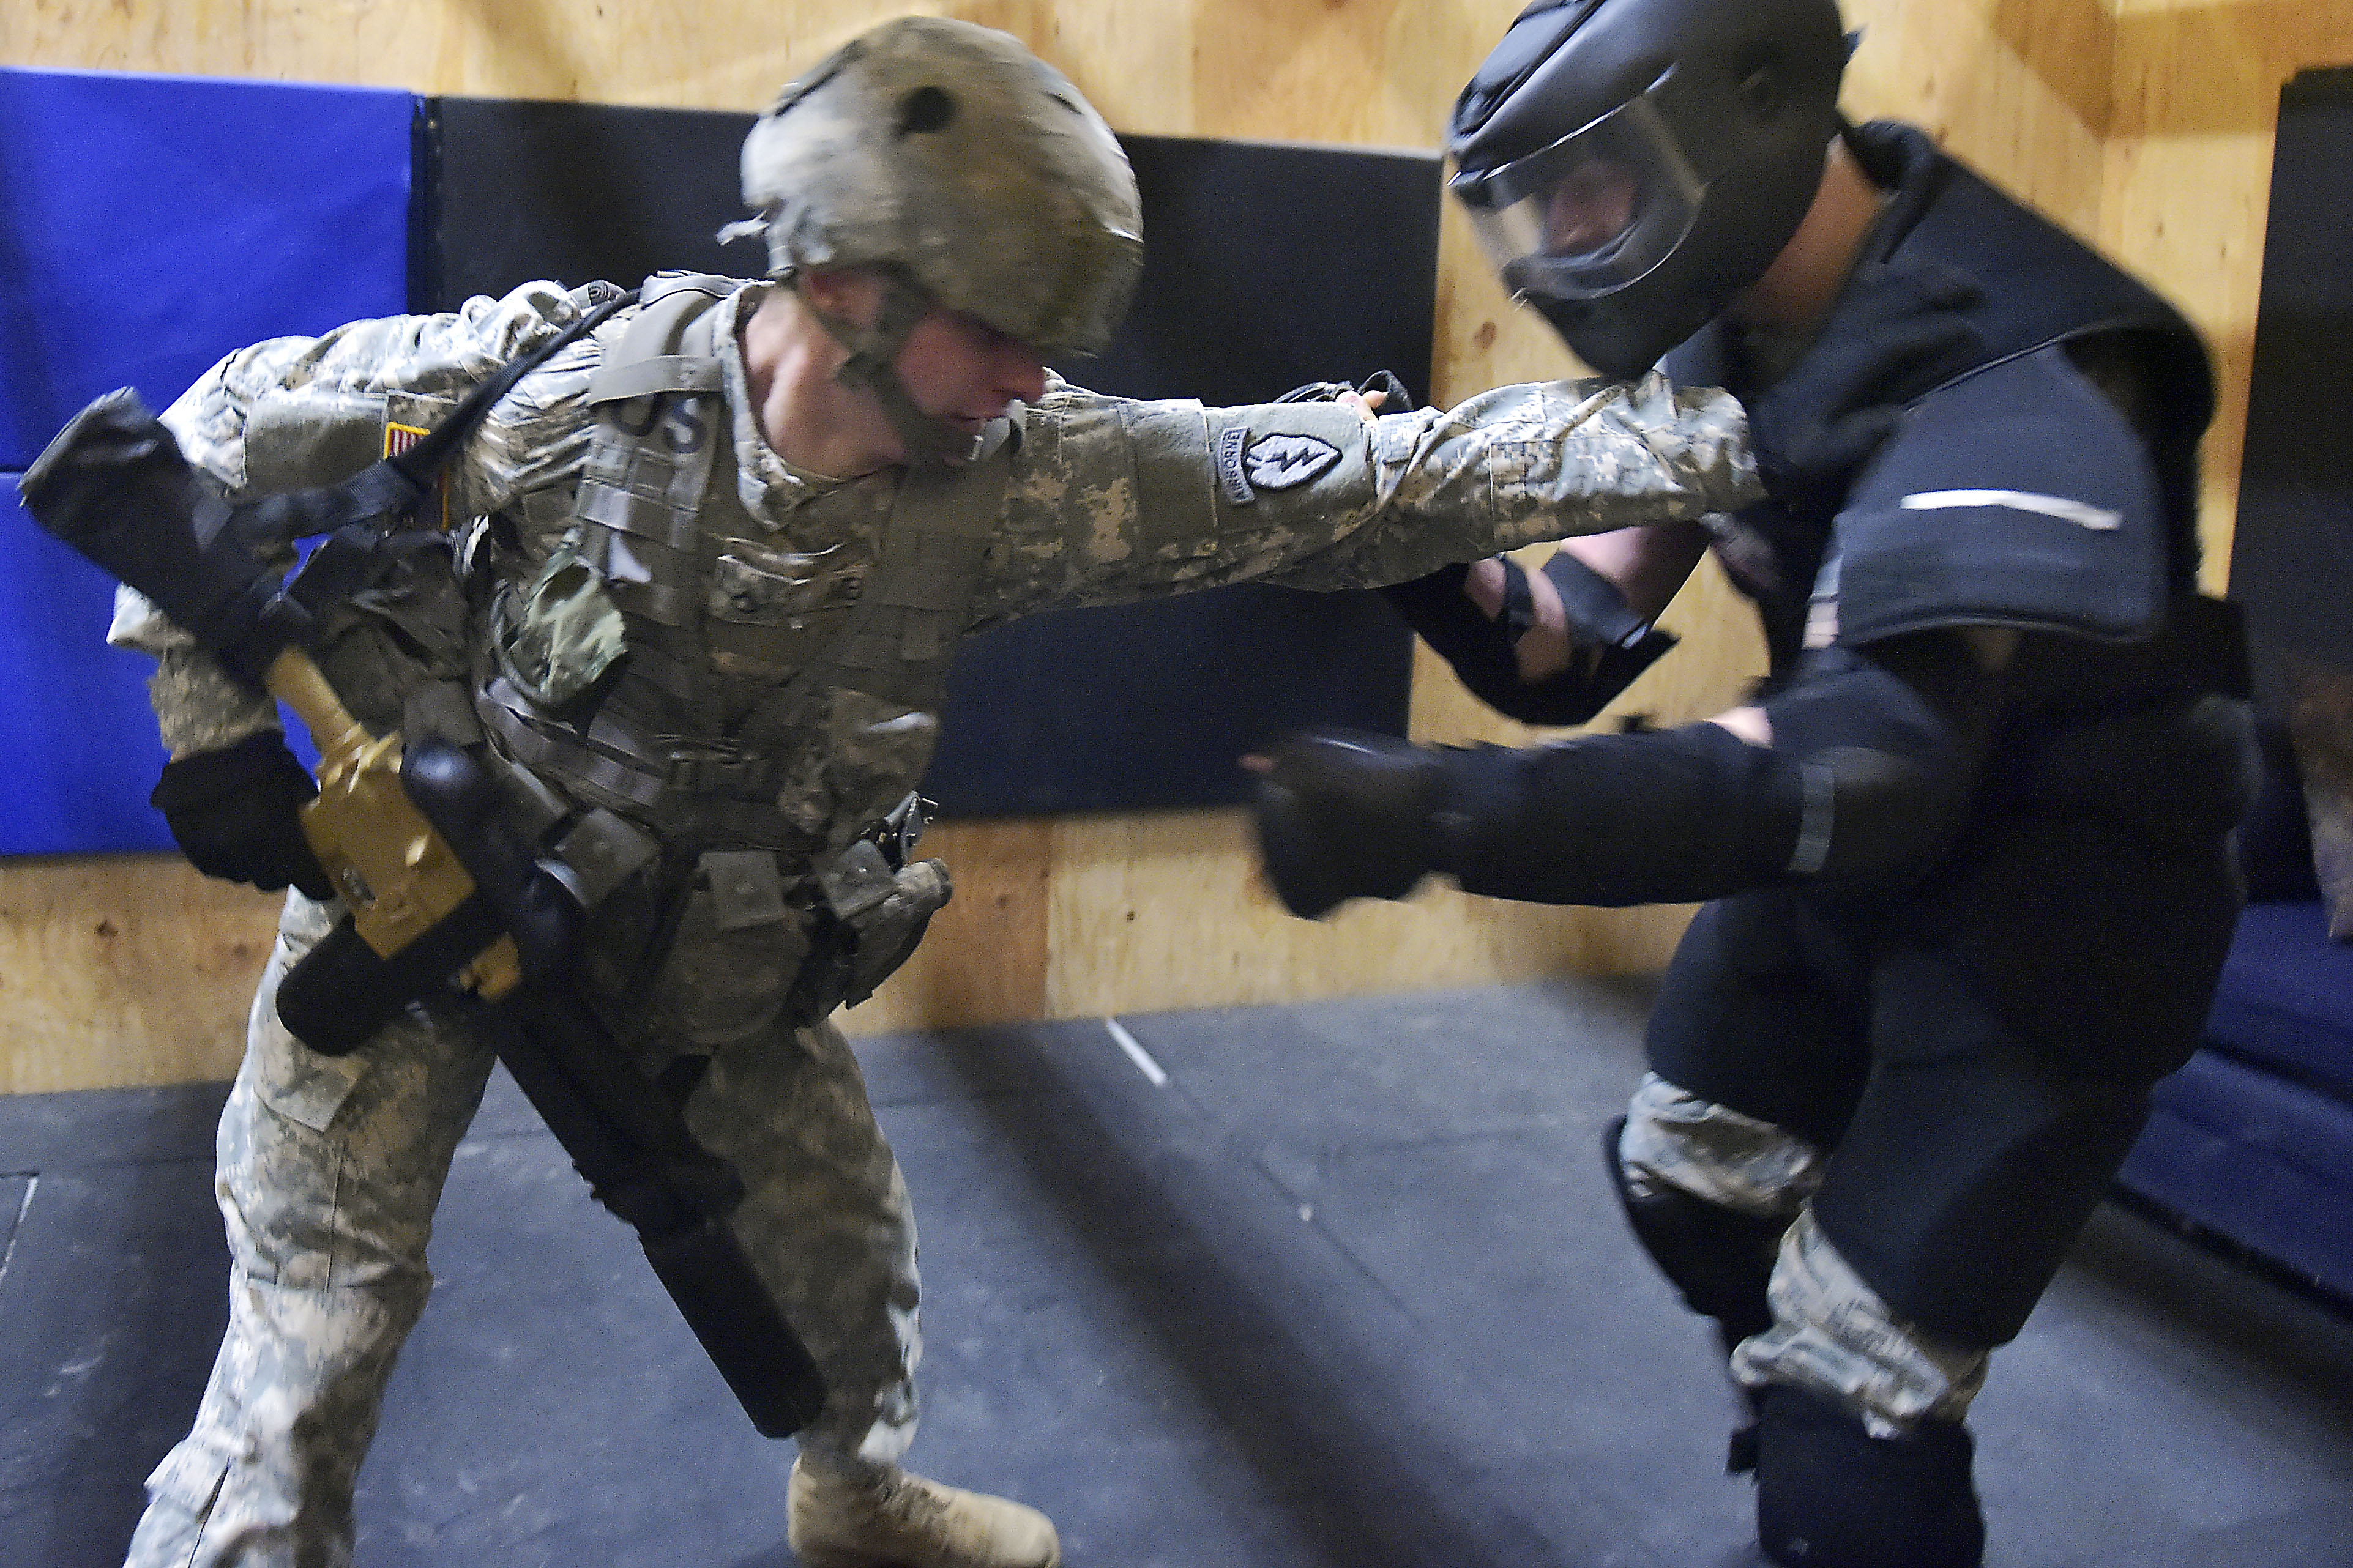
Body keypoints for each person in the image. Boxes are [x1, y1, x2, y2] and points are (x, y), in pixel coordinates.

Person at [92, 17, 1758, 1568]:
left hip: (710, 949)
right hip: (425, 896)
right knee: (310, 1335)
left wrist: (1736, 434)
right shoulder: (552, 387)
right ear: (838, 286)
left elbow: (1390, 486)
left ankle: (854, 1494)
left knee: (841, 1260)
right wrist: (208, 723)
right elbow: (214, 430)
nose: (1031, 381)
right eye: (998, 334)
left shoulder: (1024, 487)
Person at [1250, 2, 2256, 1565]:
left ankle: (1847, 1450)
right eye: (1543, 203)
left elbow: (1873, 762)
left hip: (2055, 908)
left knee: (1856, 1410)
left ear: (1757, 103)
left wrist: (1438, 812)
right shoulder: (1740, 329)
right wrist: (1392, 540)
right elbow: (1567, 645)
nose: (1569, 238)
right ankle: (1815, 1418)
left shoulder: (2027, 361)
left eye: (1597, 184)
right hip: (1862, 859)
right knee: (1686, 1177)